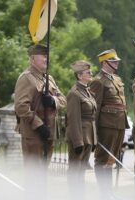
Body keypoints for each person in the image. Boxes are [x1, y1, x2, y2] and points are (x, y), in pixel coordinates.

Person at [14, 44, 66, 166]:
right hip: (34, 133)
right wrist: (39, 125)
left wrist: (53, 100)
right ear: (32, 59)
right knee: (34, 173)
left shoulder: (49, 78)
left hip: (50, 131)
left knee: (43, 173)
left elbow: (63, 100)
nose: (46, 59)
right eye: (43, 56)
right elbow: (21, 107)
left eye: (47, 56)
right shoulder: (26, 78)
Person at [90, 49, 129, 199]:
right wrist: (94, 131)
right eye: (113, 61)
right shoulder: (98, 81)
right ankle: (104, 192)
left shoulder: (117, 79)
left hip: (119, 123)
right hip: (106, 126)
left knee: (112, 159)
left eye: (116, 60)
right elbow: (96, 107)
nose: (117, 63)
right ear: (104, 63)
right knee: (102, 159)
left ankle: (109, 191)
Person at [66, 60, 97, 199]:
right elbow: (73, 119)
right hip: (79, 138)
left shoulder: (87, 91)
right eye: (88, 72)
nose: (91, 74)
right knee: (75, 171)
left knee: (82, 171)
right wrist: (78, 141)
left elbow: (92, 117)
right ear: (79, 76)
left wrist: (93, 138)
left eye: (90, 72)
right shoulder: (74, 93)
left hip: (88, 136)